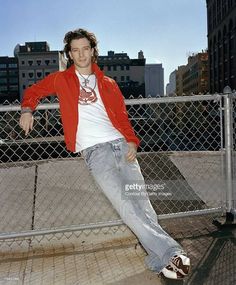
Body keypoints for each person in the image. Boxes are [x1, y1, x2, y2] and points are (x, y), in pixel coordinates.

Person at [19, 28, 190, 280]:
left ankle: (157, 258)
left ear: (92, 51)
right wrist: (27, 110)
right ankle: (172, 253)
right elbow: (33, 91)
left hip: (122, 146)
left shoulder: (108, 83)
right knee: (125, 206)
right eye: (75, 50)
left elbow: (121, 116)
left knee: (143, 205)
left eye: (85, 49)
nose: (81, 54)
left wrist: (132, 141)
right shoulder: (61, 80)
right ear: (69, 54)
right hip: (96, 153)